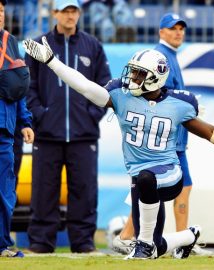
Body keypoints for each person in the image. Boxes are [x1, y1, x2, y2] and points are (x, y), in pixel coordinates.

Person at [23, 36, 214, 259]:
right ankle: (188, 236)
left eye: (140, 74)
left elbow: (212, 133)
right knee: (156, 242)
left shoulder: (178, 103)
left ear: (156, 77)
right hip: (139, 178)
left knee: (146, 187)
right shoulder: (121, 94)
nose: (133, 78)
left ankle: (142, 244)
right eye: (133, 72)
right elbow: (85, 87)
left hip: (169, 173)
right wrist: (53, 62)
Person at [111, 13, 212, 256]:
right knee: (172, 186)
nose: (178, 32)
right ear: (161, 31)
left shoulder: (171, 55)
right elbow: (162, 97)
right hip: (166, 139)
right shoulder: (160, 56)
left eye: (181, 28)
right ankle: (172, 239)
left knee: (147, 187)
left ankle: (142, 237)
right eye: (172, 28)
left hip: (168, 137)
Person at [24, 0, 111, 253]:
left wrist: (91, 114)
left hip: (83, 135)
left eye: (74, 10)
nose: (70, 15)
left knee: (84, 190)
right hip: (48, 134)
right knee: (44, 190)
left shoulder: (92, 45)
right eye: (65, 11)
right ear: (55, 13)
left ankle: (83, 242)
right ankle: (41, 242)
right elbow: (28, 86)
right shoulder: (38, 46)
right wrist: (41, 115)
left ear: (79, 13)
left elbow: (105, 87)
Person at [0, 0, 34, 257]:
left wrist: (25, 122)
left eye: (0, 10)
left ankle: (1, 244)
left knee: (4, 190)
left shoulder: (11, 42)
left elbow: (19, 86)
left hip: (5, 129)